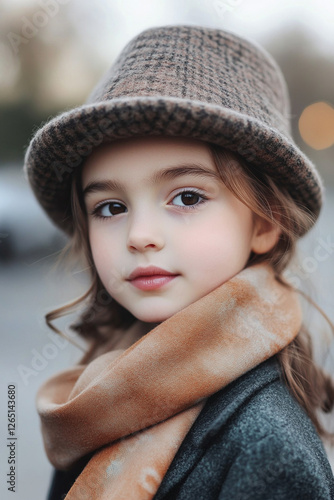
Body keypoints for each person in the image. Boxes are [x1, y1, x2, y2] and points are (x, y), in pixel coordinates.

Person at [24, 24, 334, 499]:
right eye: (110, 207)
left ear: (264, 222)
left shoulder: (270, 452)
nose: (140, 236)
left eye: (186, 197)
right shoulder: (102, 396)